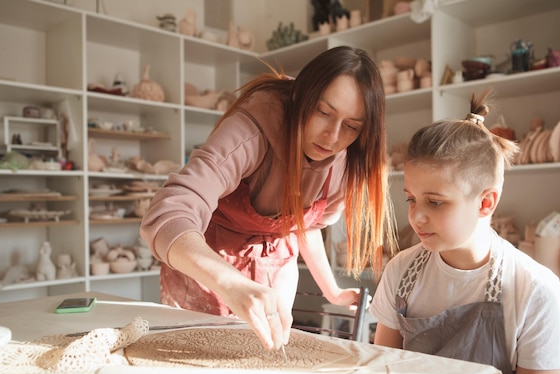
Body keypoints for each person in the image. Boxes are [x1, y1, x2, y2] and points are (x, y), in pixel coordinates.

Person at [140, 46, 396, 353]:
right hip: (209, 267)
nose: (332, 137)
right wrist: (232, 284)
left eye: (352, 126)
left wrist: (332, 291)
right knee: (200, 365)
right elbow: (167, 215)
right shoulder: (254, 126)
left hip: (275, 266)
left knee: (265, 363)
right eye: (323, 113)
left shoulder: (346, 158)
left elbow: (307, 225)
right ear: (301, 96)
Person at [369, 91, 560, 374]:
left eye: (435, 202)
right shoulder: (401, 271)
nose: (416, 217)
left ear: (485, 203)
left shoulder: (535, 291)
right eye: (411, 199)